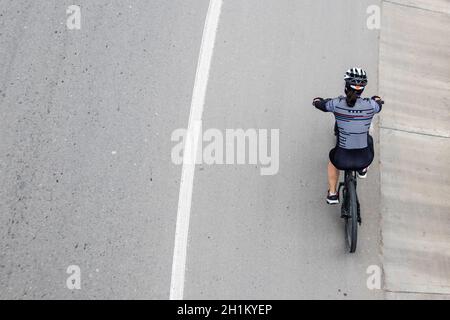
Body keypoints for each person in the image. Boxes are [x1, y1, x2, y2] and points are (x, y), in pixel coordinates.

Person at [312, 67, 384, 205]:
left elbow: (321, 104)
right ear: (362, 89)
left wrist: (316, 101)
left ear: (346, 86)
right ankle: (362, 170)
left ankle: (332, 193)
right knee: (369, 139)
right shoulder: (371, 105)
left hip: (341, 158)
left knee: (332, 161)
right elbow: (379, 105)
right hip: (365, 158)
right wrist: (378, 99)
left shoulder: (336, 104)